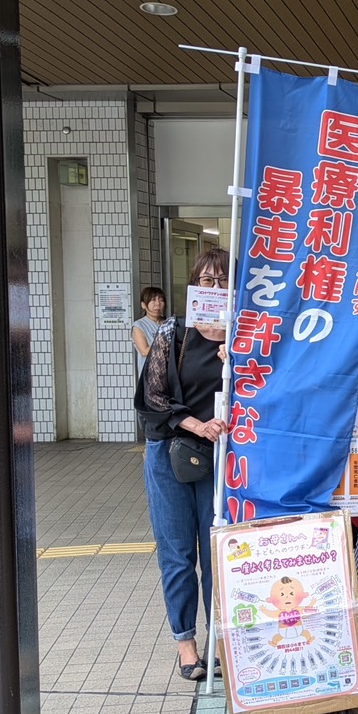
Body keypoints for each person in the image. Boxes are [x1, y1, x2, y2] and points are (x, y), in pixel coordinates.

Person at [137, 249, 230, 682]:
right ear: (194, 286)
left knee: (217, 552)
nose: (215, 288)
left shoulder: (247, 334)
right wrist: (196, 424)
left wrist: (239, 364)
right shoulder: (174, 332)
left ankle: (219, 641)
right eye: (207, 281)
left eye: (224, 281)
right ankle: (186, 645)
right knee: (177, 552)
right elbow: (151, 397)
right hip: (170, 453)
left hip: (222, 457)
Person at [132, 286, 166, 359]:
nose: (158, 303)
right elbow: (144, 351)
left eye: (161, 300)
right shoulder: (139, 325)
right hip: (151, 366)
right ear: (143, 305)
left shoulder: (169, 323)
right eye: (153, 300)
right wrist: (168, 346)